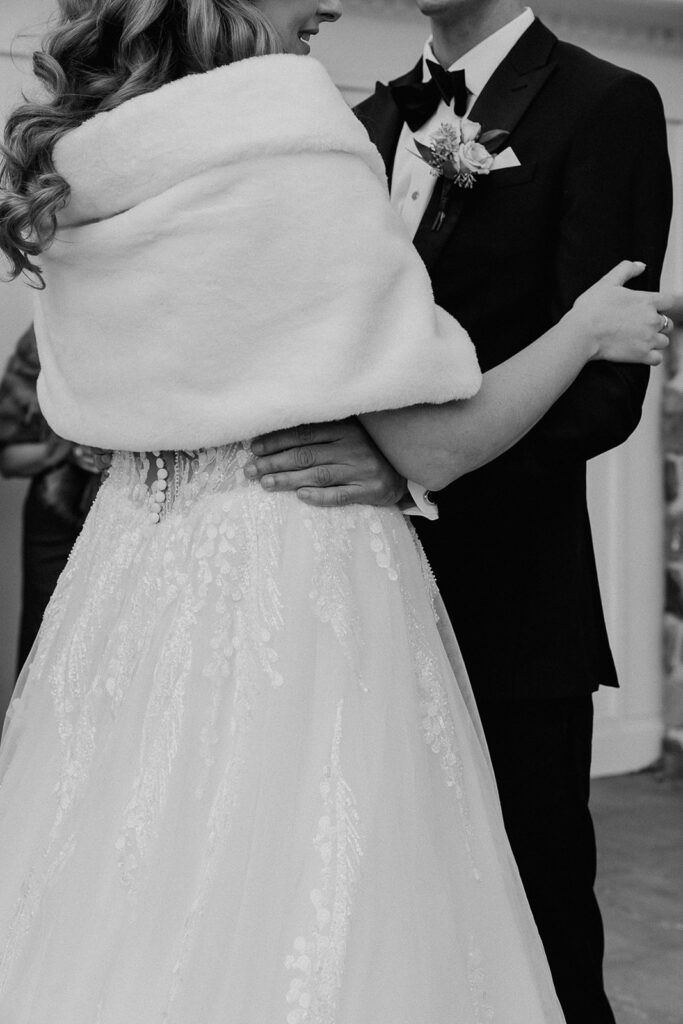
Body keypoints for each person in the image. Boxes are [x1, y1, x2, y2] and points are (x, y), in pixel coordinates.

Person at [0, 1, 671, 1020]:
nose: (325, 2)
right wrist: (582, 328)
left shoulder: (89, 171)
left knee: (134, 879)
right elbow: (432, 436)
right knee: (346, 899)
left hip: (137, 581)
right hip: (303, 577)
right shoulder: (307, 142)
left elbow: (88, 422)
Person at [248, 3, 674, 1021]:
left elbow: (603, 395)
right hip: (343, 591)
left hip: (509, 598)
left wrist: (412, 468)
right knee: (377, 915)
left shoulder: (605, 104)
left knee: (536, 917)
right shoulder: (363, 122)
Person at [0, 326, 102, 673]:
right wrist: (66, 450)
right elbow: (9, 456)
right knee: (44, 648)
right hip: (57, 519)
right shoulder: (43, 339)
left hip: (141, 513)